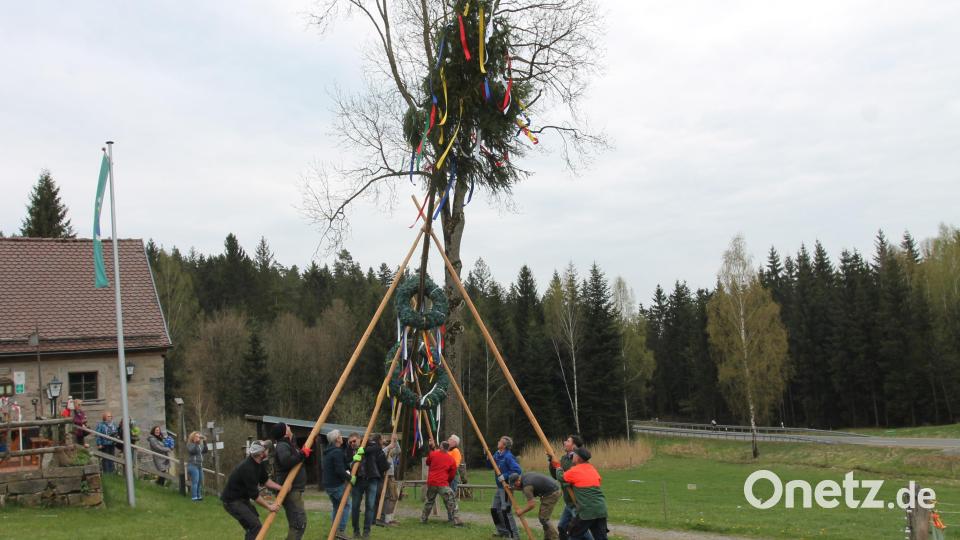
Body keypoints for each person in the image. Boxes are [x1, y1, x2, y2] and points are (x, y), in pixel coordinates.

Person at [222, 440, 282, 540]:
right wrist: (269, 506)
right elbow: (255, 496)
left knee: (253, 525)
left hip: (242, 499)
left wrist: (281, 488)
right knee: (255, 526)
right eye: (266, 449)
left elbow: (266, 481)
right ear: (261, 454)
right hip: (232, 501)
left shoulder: (258, 464)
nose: (268, 451)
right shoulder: (247, 468)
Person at [552, 448, 607, 540]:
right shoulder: (592, 469)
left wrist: (558, 467)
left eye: (574, 454)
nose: (572, 456)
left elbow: (561, 477)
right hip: (601, 509)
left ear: (578, 458)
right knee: (600, 537)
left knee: (574, 535)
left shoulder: (575, 471)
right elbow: (595, 480)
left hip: (586, 511)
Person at [270, 422, 311, 540]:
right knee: (298, 524)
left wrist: (301, 453)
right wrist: (302, 454)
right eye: (287, 427)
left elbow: (294, 455)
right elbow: (286, 461)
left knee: (298, 524)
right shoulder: (282, 445)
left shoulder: (287, 444)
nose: (290, 428)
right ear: (284, 432)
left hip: (293, 490)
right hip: (289, 491)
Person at [351, 433, 389, 538]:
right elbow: (346, 463)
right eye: (350, 442)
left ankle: (366, 531)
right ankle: (356, 531)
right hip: (357, 481)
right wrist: (352, 464)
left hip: (371, 479)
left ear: (360, 439)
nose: (352, 444)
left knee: (370, 506)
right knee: (355, 507)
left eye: (354, 441)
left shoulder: (369, 444)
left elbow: (377, 447)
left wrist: (363, 450)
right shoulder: (349, 449)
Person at [552, 434, 586, 540]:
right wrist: (551, 461)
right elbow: (556, 475)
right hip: (568, 502)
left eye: (568, 441)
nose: (564, 442)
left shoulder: (578, 460)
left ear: (574, 446)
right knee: (562, 527)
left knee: (580, 531)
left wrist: (562, 476)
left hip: (576, 500)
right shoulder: (564, 458)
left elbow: (570, 476)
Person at [422, 440, 463, 526]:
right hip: (443, 483)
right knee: (451, 500)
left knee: (429, 501)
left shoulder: (433, 454)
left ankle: (423, 519)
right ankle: (455, 520)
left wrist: (432, 450)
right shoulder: (451, 459)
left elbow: (427, 462)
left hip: (432, 482)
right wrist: (448, 481)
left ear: (440, 447)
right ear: (448, 448)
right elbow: (452, 473)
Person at [511, 471, 561, 540]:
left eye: (514, 484)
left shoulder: (527, 487)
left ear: (518, 480)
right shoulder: (524, 477)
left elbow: (532, 505)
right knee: (544, 518)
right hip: (552, 489)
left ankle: (555, 538)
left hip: (552, 493)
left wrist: (521, 511)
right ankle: (549, 538)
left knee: (544, 518)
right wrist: (513, 488)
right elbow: (522, 487)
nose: (514, 486)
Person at [322, 429, 353, 540]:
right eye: (340, 436)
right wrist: (350, 478)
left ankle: (334, 530)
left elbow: (344, 462)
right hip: (335, 485)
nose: (342, 437)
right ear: (337, 439)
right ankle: (340, 530)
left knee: (336, 506)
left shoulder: (331, 451)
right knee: (346, 505)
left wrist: (354, 457)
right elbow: (340, 470)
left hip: (329, 485)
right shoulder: (336, 452)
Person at [491, 435, 522, 538]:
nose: (498, 441)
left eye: (500, 441)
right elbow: (490, 465)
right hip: (499, 487)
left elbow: (517, 471)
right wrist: (488, 457)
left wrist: (505, 476)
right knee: (494, 509)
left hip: (506, 488)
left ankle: (514, 535)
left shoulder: (508, 456)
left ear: (504, 446)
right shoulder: (497, 454)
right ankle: (502, 531)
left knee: (506, 511)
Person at [377, 433, 401, 526]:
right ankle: (386, 519)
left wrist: (395, 441)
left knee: (394, 496)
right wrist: (390, 445)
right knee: (387, 497)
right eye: (382, 438)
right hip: (384, 476)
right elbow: (381, 453)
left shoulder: (389, 450)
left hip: (391, 476)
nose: (384, 439)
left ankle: (389, 518)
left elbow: (398, 450)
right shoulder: (381, 450)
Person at [186, 431, 208, 501]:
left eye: (199, 436)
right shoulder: (190, 444)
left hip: (199, 465)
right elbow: (193, 451)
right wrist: (196, 443)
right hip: (193, 465)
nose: (198, 438)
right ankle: (194, 497)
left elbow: (205, 451)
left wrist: (204, 442)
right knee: (195, 482)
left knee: (200, 482)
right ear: (193, 437)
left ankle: (199, 496)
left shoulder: (199, 444)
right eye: (196, 436)